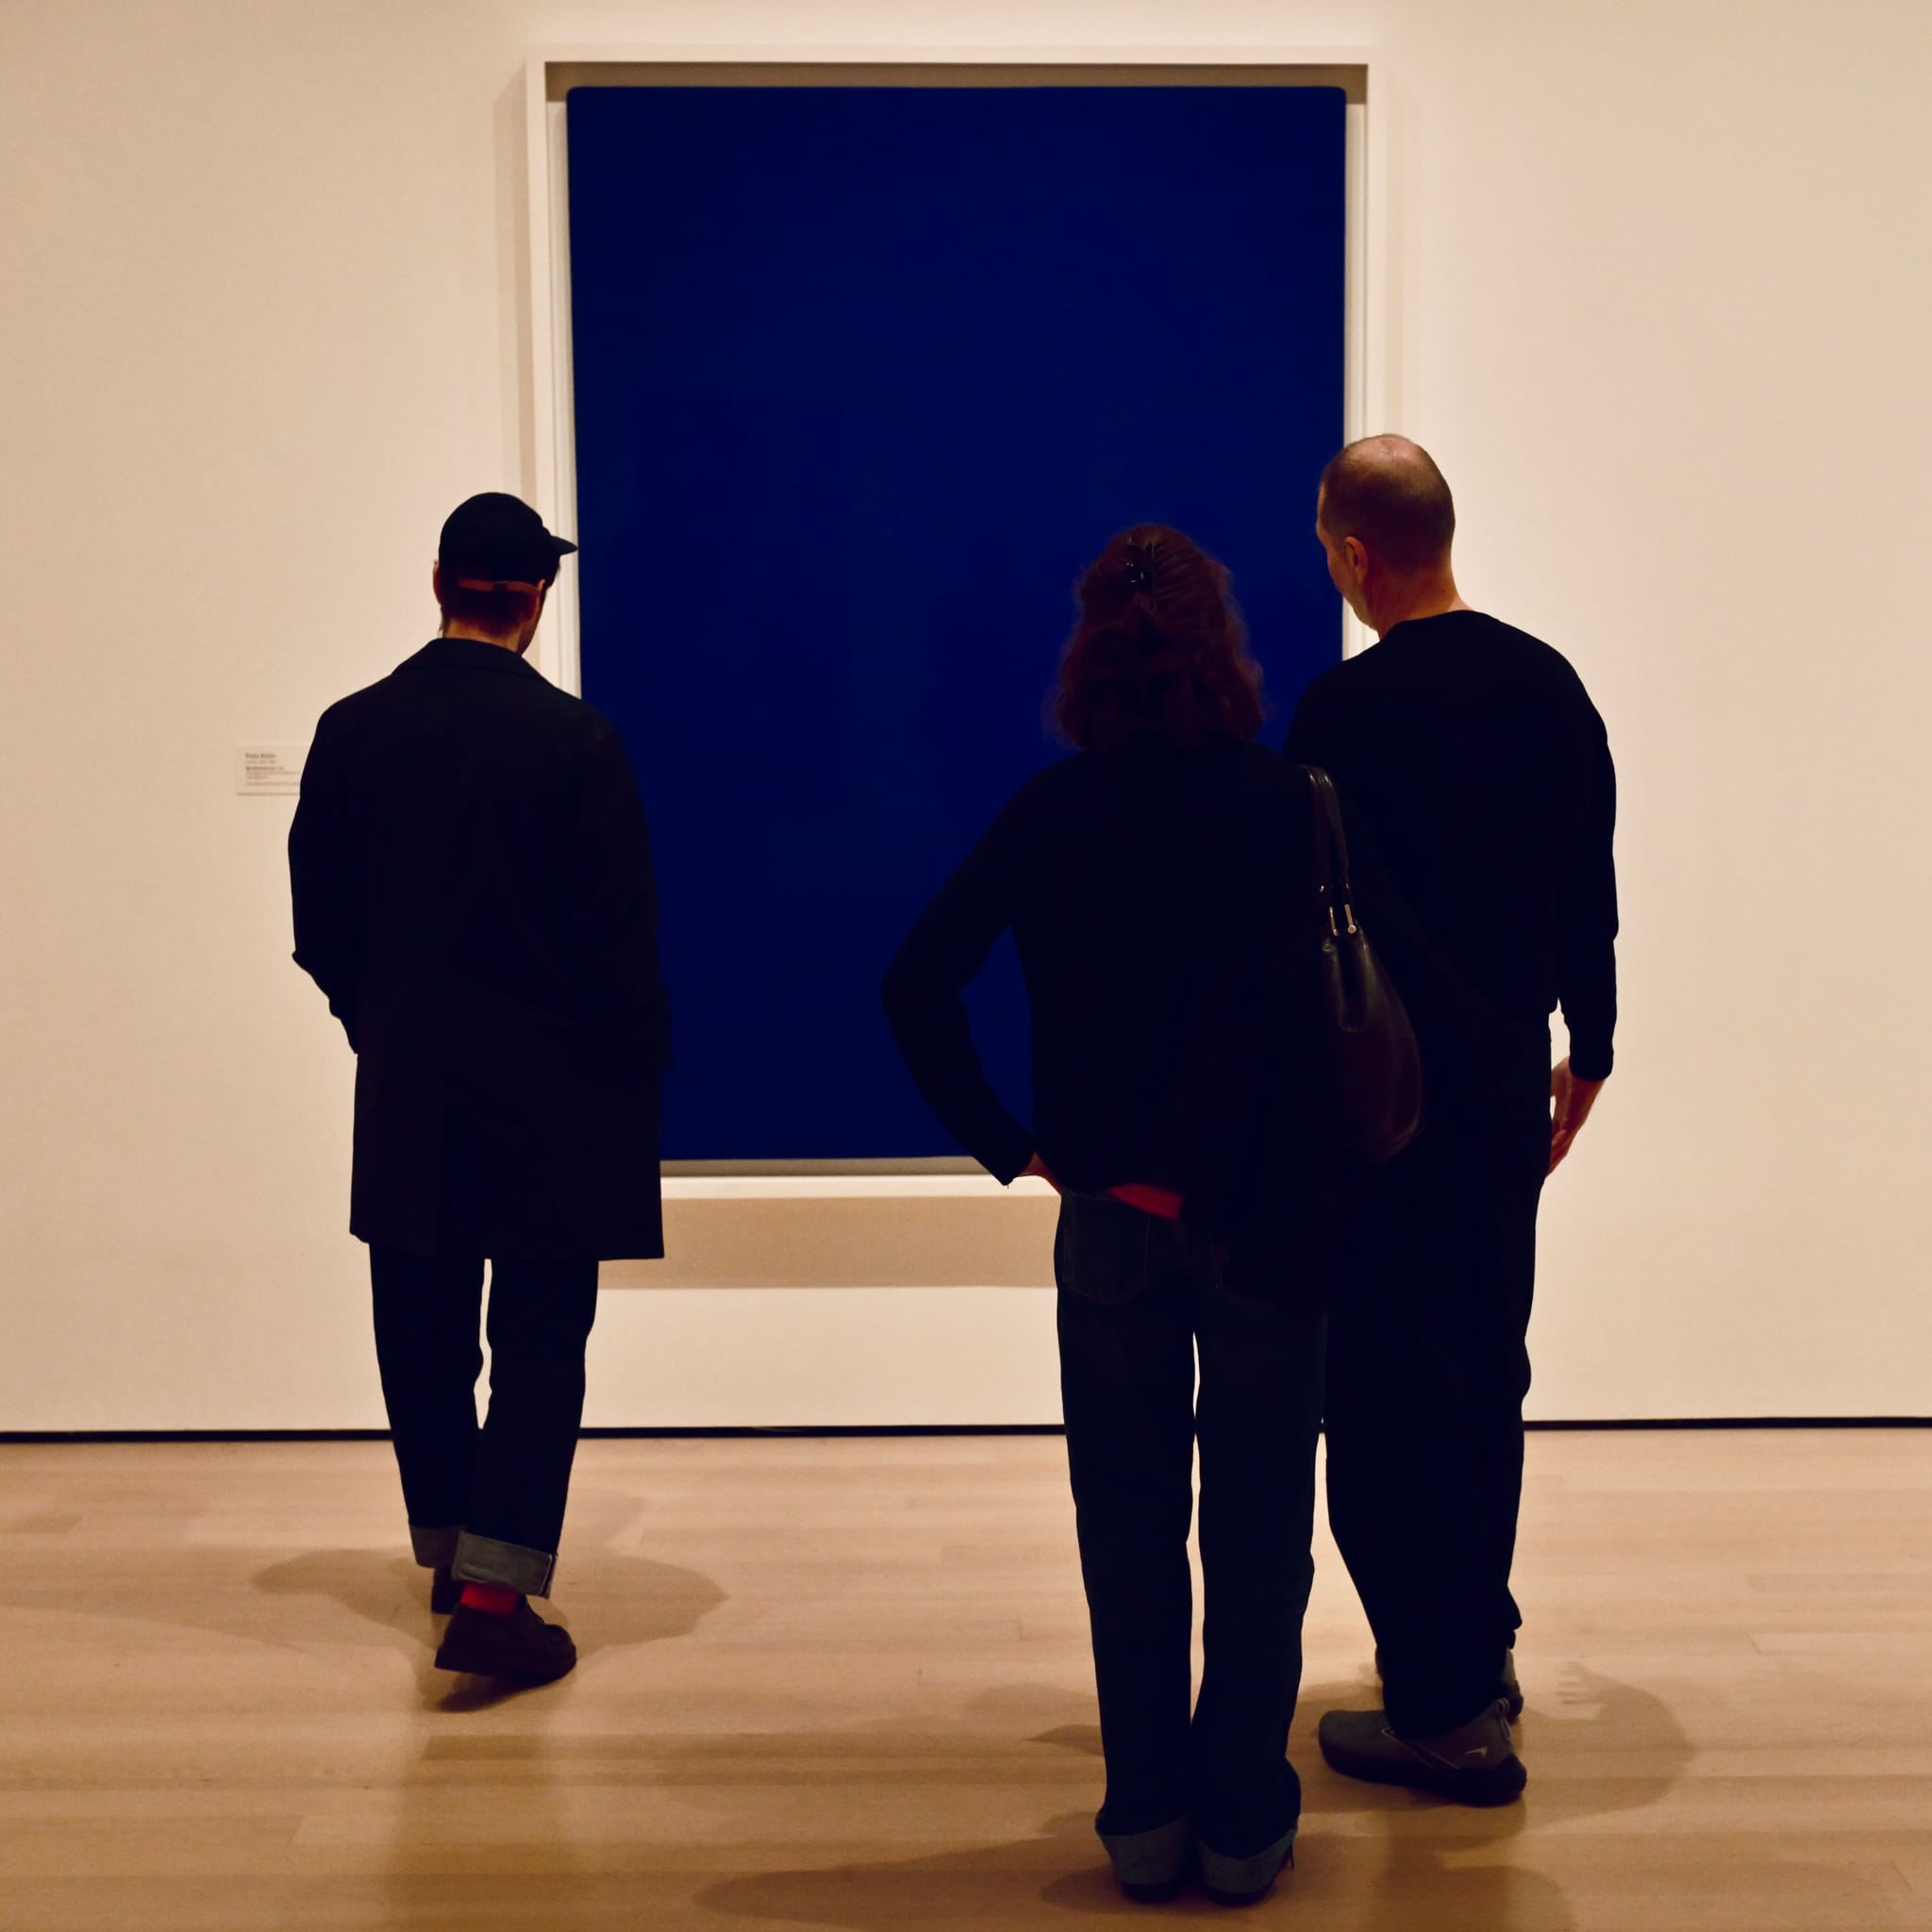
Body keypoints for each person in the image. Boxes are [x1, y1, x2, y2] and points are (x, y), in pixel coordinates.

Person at [882, 527, 1340, 1906]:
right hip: (1271, 1227)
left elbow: (917, 986)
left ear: (1091, 654)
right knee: (1260, 1528)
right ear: (1226, 647)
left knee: (1126, 1522)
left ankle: (1144, 1820)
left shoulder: (1055, 810)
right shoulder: (1292, 805)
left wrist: (1015, 1149)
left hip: (1112, 1222)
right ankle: (1245, 1820)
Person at [1284, 435, 1619, 1802]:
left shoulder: (1338, 718)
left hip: (1381, 1098)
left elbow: (1302, 929)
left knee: (1381, 1387)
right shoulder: (1550, 687)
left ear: (1356, 554)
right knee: (1489, 1359)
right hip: (1502, 1086)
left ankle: (1440, 1708)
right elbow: (1587, 888)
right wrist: (1588, 1051)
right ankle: (1475, 1646)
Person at [288, 491, 670, 1685]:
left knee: (422, 1327)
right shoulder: (576, 743)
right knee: (542, 1336)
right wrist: (640, 1060)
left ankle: (453, 1556)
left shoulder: (352, 729)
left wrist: (377, 1023)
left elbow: (319, 922)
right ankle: (497, 1593)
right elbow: (618, 940)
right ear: (536, 599)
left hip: (410, 1084)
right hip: (555, 1092)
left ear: (439, 583)